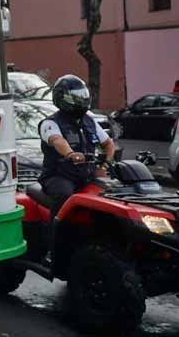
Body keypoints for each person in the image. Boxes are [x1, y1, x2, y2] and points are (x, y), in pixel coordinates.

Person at [38, 74, 115, 255]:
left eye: (82, 95)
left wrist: (104, 166)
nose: (81, 100)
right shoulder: (50, 123)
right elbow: (57, 141)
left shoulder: (89, 120)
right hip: (58, 176)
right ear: (62, 98)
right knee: (64, 195)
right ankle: (54, 245)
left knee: (110, 195)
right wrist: (71, 154)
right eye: (76, 96)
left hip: (86, 176)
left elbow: (109, 144)